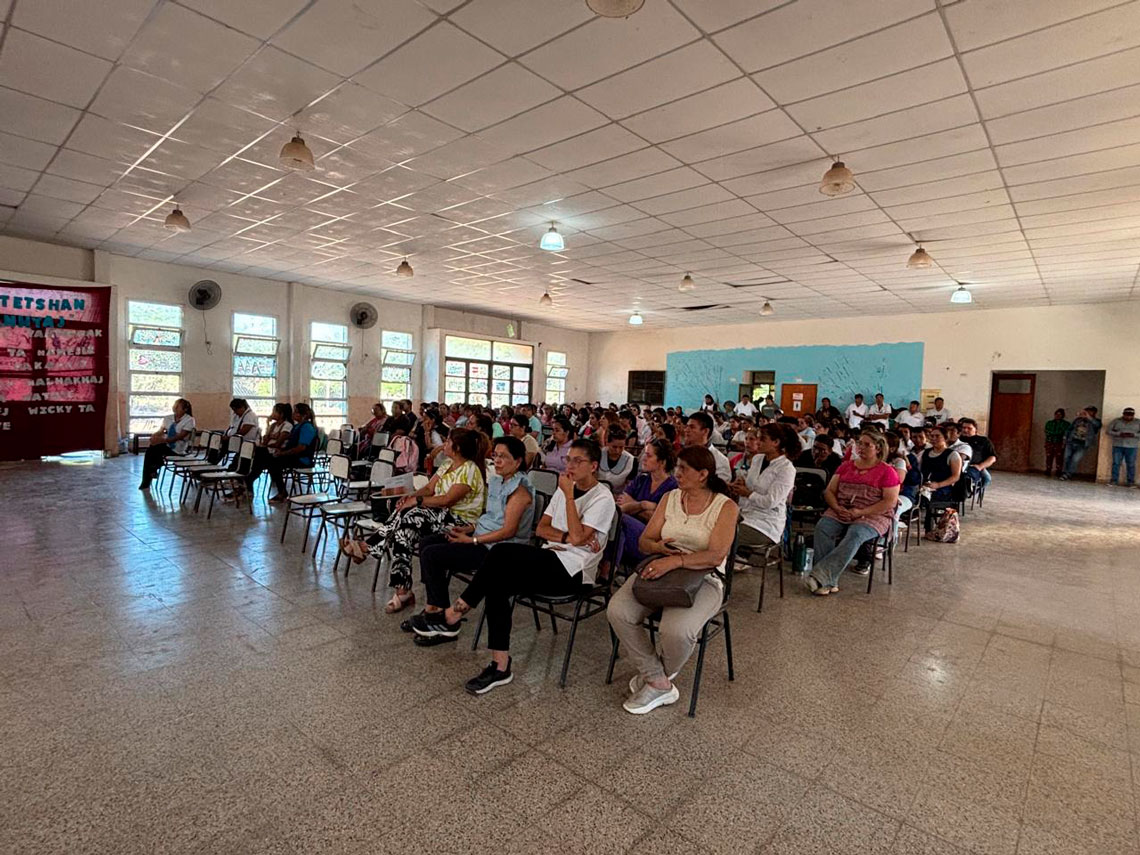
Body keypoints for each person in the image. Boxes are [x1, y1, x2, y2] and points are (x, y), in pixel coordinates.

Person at [419, 439, 616, 694]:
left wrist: (569, 500)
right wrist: (568, 537)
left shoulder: (602, 497)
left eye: (578, 461)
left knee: (501, 552)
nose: (570, 466)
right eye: (568, 460)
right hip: (550, 557)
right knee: (498, 581)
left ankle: (455, 613)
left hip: (576, 571)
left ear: (594, 466)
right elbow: (542, 529)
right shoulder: (563, 489)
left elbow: (579, 538)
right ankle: (500, 665)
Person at [607, 446, 738, 714]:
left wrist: (676, 561)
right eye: (677, 467)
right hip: (662, 567)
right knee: (618, 611)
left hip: (705, 577)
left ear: (703, 474)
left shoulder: (725, 506)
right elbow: (645, 541)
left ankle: (656, 678)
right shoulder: (670, 498)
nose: (676, 473)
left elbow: (715, 555)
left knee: (676, 630)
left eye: (683, 469)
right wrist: (659, 549)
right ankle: (658, 680)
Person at [343, 428, 487, 614]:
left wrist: (417, 501)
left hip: (460, 523)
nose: (444, 445)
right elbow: (429, 489)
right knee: (404, 530)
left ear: (457, 447)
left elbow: (447, 500)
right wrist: (410, 497)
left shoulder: (470, 469)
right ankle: (402, 590)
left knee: (410, 515)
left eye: (448, 442)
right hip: (440, 515)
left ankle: (368, 547)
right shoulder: (448, 464)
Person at [412, 436, 536, 642]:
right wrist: (469, 529)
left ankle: (441, 619)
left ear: (518, 461)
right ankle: (435, 608)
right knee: (428, 542)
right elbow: (491, 517)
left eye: (503, 457)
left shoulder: (520, 492)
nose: (497, 461)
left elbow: (508, 531)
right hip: (482, 536)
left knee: (432, 555)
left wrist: (472, 541)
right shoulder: (498, 481)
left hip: (498, 550)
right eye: (495, 455)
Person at [803, 431, 900, 595]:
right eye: (860, 443)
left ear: (878, 448)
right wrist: (837, 508)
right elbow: (829, 491)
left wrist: (860, 512)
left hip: (873, 513)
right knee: (823, 527)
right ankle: (828, 581)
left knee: (856, 533)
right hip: (842, 509)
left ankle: (820, 577)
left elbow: (889, 501)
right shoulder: (846, 466)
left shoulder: (887, 471)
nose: (861, 447)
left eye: (867, 445)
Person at [733, 423, 798, 557]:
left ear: (776, 442)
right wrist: (742, 484)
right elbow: (753, 485)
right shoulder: (757, 459)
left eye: (762, 439)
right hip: (746, 513)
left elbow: (770, 501)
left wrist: (748, 493)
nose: (757, 442)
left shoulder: (786, 469)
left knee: (723, 535)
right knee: (712, 525)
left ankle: (723, 565)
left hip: (766, 523)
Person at [617, 439, 678, 566]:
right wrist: (643, 505)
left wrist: (632, 506)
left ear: (662, 462)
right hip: (629, 532)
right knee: (617, 522)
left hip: (652, 540)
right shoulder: (641, 479)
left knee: (620, 519)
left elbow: (661, 523)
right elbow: (621, 506)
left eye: (649, 456)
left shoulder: (673, 488)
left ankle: (608, 569)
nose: (643, 459)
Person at [266, 403, 319, 502]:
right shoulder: (297, 426)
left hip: (302, 459)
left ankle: (282, 493)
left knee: (274, 463)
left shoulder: (307, 427)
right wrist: (281, 450)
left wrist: (283, 453)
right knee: (269, 459)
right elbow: (290, 442)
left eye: (295, 412)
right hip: (294, 456)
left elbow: (300, 448)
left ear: (302, 415)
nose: (293, 414)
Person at [138, 398, 196, 489]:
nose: (175, 408)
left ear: (185, 409)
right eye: (174, 406)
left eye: (178, 407)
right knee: (151, 450)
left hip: (178, 448)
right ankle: (151, 472)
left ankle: (151, 473)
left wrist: (161, 440)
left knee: (154, 449)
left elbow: (179, 437)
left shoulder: (189, 420)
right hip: (166, 445)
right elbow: (161, 431)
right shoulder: (168, 418)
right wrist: (155, 436)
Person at [919, 425, 962, 513]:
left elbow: (956, 476)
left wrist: (938, 485)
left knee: (924, 497)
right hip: (926, 486)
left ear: (945, 438)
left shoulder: (952, 455)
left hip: (943, 487)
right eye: (932, 436)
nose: (934, 438)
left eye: (937, 436)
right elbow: (920, 470)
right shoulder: (925, 453)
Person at [684, 411, 732, 481]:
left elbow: (720, 485)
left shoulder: (719, 460)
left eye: (692, 427)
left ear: (705, 431)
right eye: (686, 426)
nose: (686, 430)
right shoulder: (683, 454)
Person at [1061, 406, 1103, 481]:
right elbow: (1070, 428)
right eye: (1087, 411)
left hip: (1083, 444)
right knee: (1066, 457)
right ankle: (1064, 472)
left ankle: (1068, 474)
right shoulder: (1078, 420)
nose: (1088, 412)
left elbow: (1097, 425)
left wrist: (1088, 417)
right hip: (1071, 441)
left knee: (1075, 459)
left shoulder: (1096, 421)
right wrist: (1065, 437)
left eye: (1090, 411)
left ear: (1094, 413)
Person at [958, 418, 997, 489]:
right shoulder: (957, 439)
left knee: (987, 479)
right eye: (963, 428)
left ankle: (972, 491)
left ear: (975, 429)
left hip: (974, 466)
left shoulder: (983, 440)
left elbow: (992, 457)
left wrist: (980, 466)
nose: (965, 430)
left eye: (969, 428)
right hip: (957, 465)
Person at [1106, 407, 1139, 487]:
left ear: (1133, 415)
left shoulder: (1138, 422)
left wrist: (1133, 435)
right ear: (1123, 414)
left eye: (1130, 415)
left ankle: (1131, 482)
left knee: (1131, 464)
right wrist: (1119, 434)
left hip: (1132, 446)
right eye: (1127, 415)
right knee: (1116, 463)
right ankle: (1114, 481)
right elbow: (1108, 431)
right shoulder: (1116, 421)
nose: (1128, 417)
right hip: (1118, 445)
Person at [597, 426, 636, 494]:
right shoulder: (598, 454)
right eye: (614, 447)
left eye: (621, 447)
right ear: (607, 443)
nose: (617, 450)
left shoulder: (631, 461)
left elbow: (629, 485)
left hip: (617, 495)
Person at [1043, 408, 1069, 477]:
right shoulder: (1049, 423)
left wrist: (1056, 434)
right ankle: (1048, 469)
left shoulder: (1065, 424)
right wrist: (1055, 434)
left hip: (1059, 442)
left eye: (1060, 414)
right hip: (1049, 441)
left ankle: (1059, 471)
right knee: (1049, 456)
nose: (1057, 416)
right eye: (1056, 414)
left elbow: (1063, 432)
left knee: (1059, 457)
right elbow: (1047, 431)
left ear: (1063, 416)